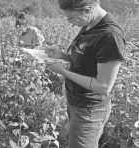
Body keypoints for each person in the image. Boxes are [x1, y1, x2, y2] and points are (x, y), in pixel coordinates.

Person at [45, 0, 125, 148]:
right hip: (77, 101)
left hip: (90, 110)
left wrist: (63, 71)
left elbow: (103, 86)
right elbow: (88, 61)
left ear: (87, 10)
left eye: (71, 18)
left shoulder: (109, 36)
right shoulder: (90, 24)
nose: (70, 23)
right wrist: (63, 55)